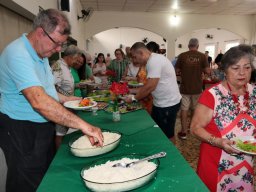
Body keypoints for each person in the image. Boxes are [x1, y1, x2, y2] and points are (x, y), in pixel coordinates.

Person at [0, 9, 103, 192]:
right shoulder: (18, 53)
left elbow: (49, 93)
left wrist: (72, 99)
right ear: (41, 32)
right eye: (57, 44)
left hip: (42, 126)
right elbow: (39, 101)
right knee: (26, 182)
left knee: (45, 177)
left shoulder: (41, 55)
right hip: (21, 128)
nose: (58, 50)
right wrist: (82, 125)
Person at [191, 44, 256, 191]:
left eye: (247, 67)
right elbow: (195, 128)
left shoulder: (254, 92)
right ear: (225, 70)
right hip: (216, 166)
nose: (242, 73)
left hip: (245, 167)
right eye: (235, 68)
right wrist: (218, 141)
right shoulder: (212, 95)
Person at [125, 42, 181, 143]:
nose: (134, 60)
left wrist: (133, 98)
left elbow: (150, 86)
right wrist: (131, 91)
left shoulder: (154, 61)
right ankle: (161, 148)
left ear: (141, 53)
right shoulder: (152, 60)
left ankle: (171, 155)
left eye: (134, 57)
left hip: (168, 104)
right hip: (160, 103)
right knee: (157, 130)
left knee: (168, 134)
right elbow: (148, 85)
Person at [175, 38, 210, 140]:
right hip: (197, 88)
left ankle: (184, 132)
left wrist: (183, 71)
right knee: (195, 109)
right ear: (198, 46)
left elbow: (176, 70)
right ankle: (192, 129)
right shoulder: (202, 56)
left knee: (184, 109)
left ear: (188, 46)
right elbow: (208, 71)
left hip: (185, 87)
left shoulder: (182, 56)